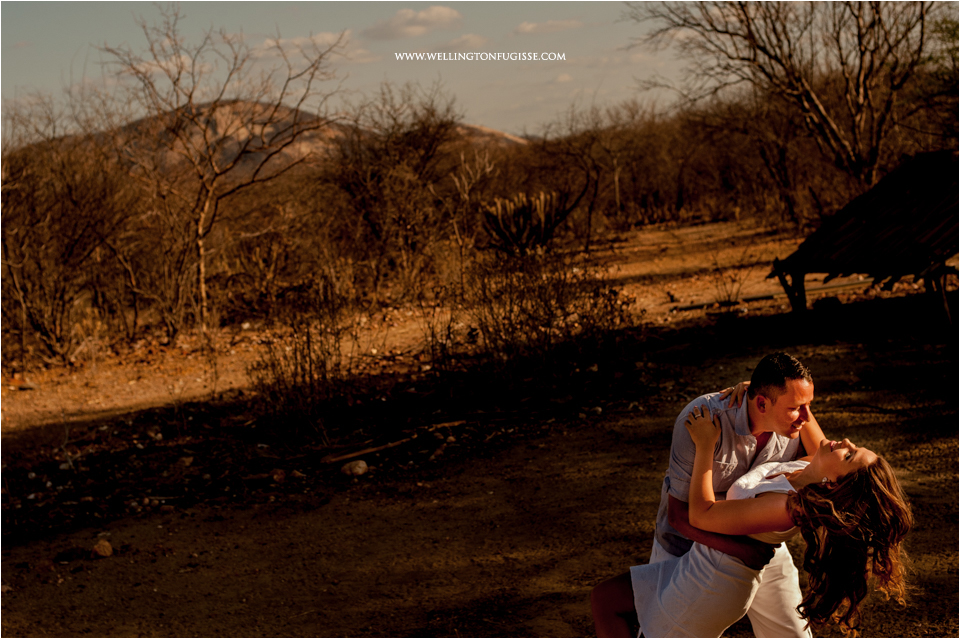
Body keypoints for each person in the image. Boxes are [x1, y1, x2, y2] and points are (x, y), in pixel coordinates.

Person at [591, 407, 912, 637]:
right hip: (695, 568)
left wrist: (705, 444)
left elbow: (700, 514)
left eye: (849, 455)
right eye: (855, 446)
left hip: (708, 588)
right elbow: (801, 408)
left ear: (834, 484)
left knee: (606, 601)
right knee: (606, 598)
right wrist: (764, 396)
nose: (845, 443)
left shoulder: (785, 506)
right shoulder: (809, 469)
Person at [593, 352, 830, 637]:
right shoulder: (703, 420)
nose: (805, 417)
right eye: (796, 407)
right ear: (763, 403)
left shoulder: (794, 428)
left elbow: (821, 455)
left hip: (761, 543)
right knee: (662, 630)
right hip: (688, 546)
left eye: (809, 406)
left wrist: (788, 399)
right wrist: (744, 552)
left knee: (792, 633)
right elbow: (680, 517)